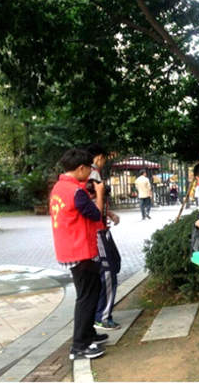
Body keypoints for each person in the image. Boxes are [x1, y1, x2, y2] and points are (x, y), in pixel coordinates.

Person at [50, 148, 108, 360]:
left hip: (69, 248)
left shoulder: (59, 187)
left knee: (91, 292)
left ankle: (89, 334)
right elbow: (95, 214)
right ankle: (79, 346)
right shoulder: (76, 192)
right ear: (81, 168)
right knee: (86, 297)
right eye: (89, 169)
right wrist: (99, 194)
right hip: (81, 250)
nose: (90, 173)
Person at [87, 144, 122, 331]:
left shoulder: (89, 173)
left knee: (111, 266)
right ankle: (103, 317)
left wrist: (110, 214)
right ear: (99, 157)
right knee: (108, 272)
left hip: (100, 229)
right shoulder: (93, 173)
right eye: (105, 159)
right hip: (98, 231)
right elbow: (94, 201)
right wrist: (107, 215)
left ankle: (99, 314)